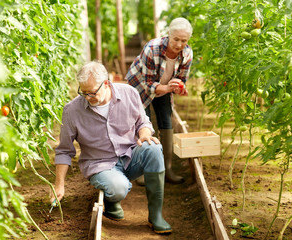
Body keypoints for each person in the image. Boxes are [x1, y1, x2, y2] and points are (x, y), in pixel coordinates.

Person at [50, 61, 172, 234]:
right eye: (83, 92)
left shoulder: (129, 93)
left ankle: (156, 216)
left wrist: (144, 134)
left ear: (106, 83)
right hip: (100, 164)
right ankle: (112, 198)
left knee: (153, 148)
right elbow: (64, 150)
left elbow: (142, 122)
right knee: (117, 188)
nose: (87, 97)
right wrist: (59, 185)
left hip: (130, 155)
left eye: (92, 92)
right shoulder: (72, 111)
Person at [126, 17, 193, 184]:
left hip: (164, 87)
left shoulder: (187, 54)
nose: (179, 44)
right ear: (168, 35)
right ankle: (141, 171)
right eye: (176, 39)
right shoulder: (152, 48)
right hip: (140, 87)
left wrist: (180, 87)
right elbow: (149, 84)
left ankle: (166, 169)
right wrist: (169, 87)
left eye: (183, 41)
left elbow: (181, 79)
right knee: (143, 124)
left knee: (166, 123)